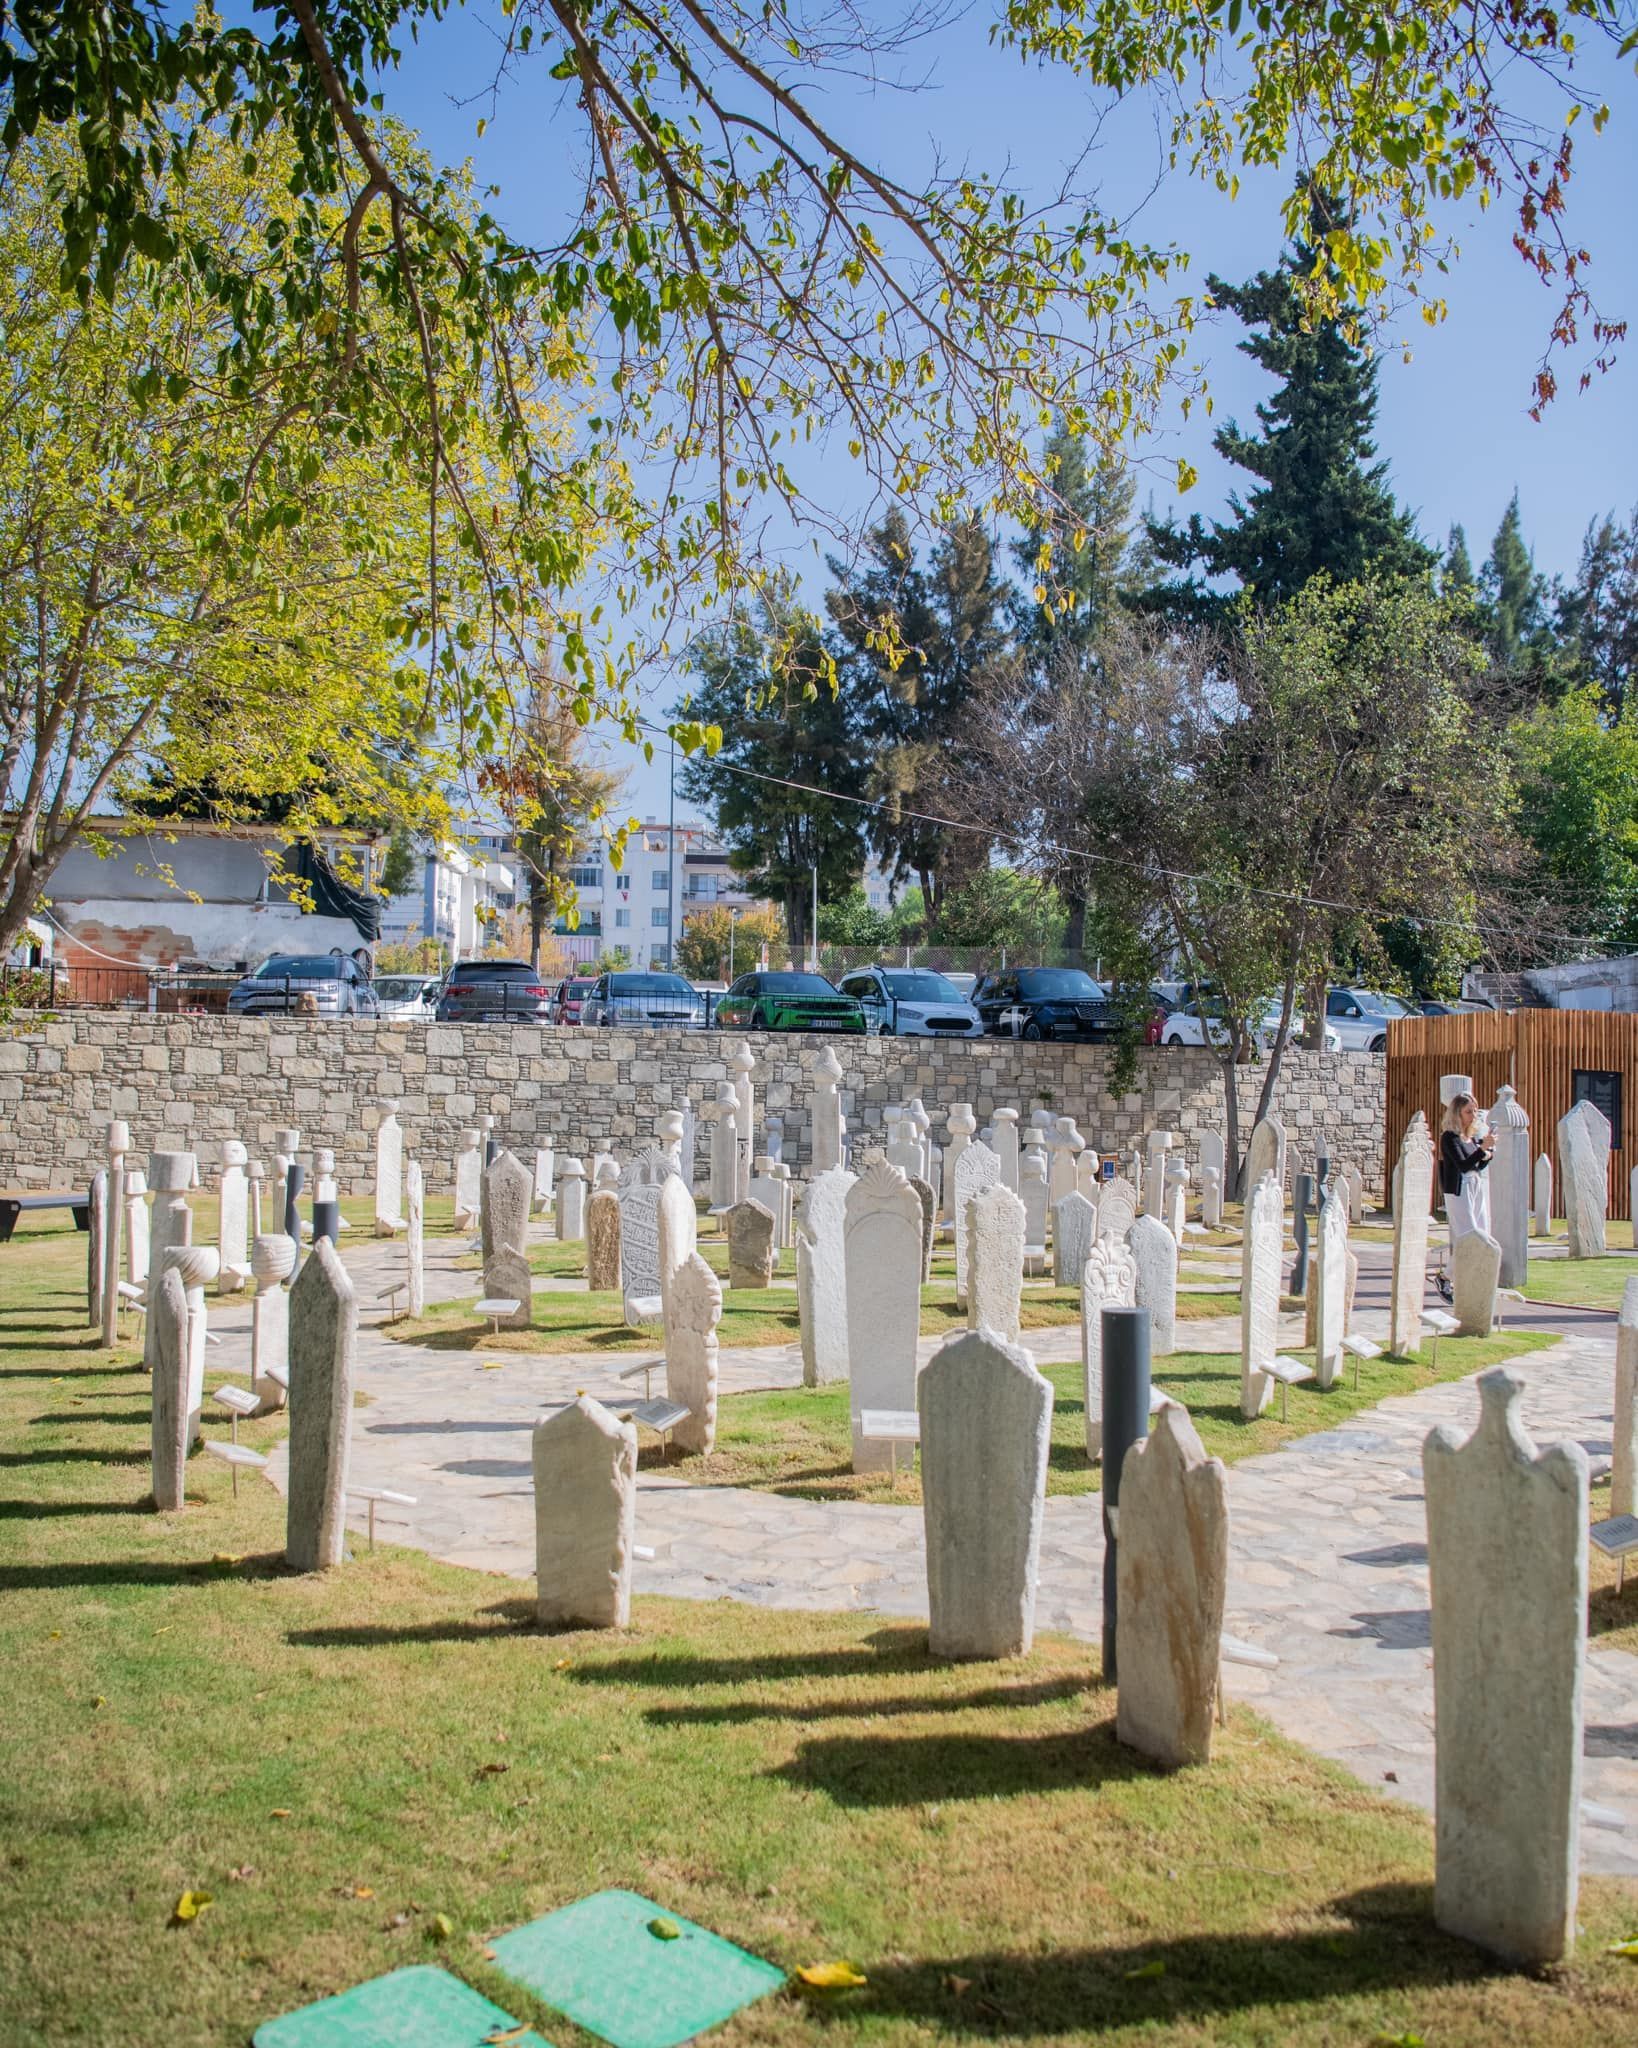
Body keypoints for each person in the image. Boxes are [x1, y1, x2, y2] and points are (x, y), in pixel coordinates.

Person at [1439, 1092, 1494, 1243]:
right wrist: (1482, 1149)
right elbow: (1463, 1165)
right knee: (1467, 1232)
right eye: (1468, 1111)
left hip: (1475, 1184)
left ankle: (1481, 1264)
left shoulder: (1471, 1137)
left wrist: (1489, 1153)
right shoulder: (1450, 1137)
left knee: (1481, 1229)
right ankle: (1462, 1265)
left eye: (1475, 1110)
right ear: (1457, 1114)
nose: (1473, 1115)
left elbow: (1478, 1165)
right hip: (1459, 1188)